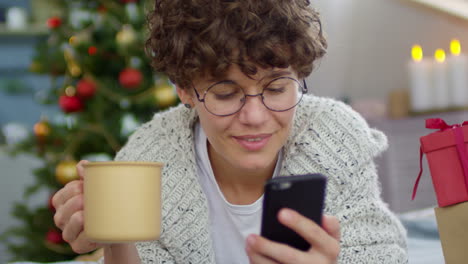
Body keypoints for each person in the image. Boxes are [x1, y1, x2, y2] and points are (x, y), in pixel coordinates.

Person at [52, 0, 408, 263]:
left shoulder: (333, 135)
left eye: (276, 88)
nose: (255, 116)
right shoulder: (149, 159)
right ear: (185, 89)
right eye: (225, 94)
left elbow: (382, 253)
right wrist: (115, 241)